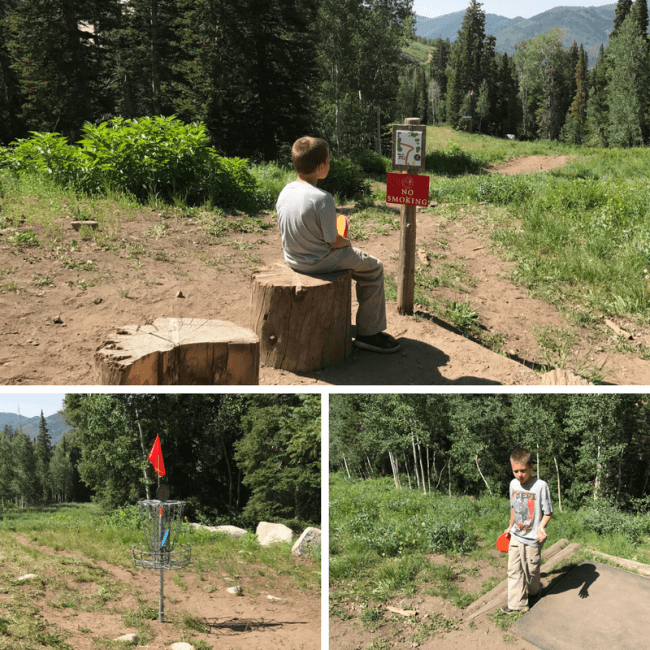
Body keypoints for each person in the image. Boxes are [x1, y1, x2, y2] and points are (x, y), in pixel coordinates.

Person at [276, 136, 400, 353]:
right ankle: (369, 334)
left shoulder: (286, 191)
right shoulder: (322, 198)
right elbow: (333, 241)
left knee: (362, 263)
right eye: (329, 161)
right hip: (318, 261)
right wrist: (348, 243)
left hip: (293, 258)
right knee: (374, 268)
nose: (330, 165)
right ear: (322, 167)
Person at [501, 448, 553, 613]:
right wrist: (510, 526)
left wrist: (541, 527)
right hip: (516, 534)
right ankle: (516, 605)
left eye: (522, 471)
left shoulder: (540, 486)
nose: (519, 475)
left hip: (532, 538)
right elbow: (513, 507)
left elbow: (548, 512)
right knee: (514, 569)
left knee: (531, 572)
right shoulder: (513, 484)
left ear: (531, 467)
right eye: (515, 471)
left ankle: (534, 592)